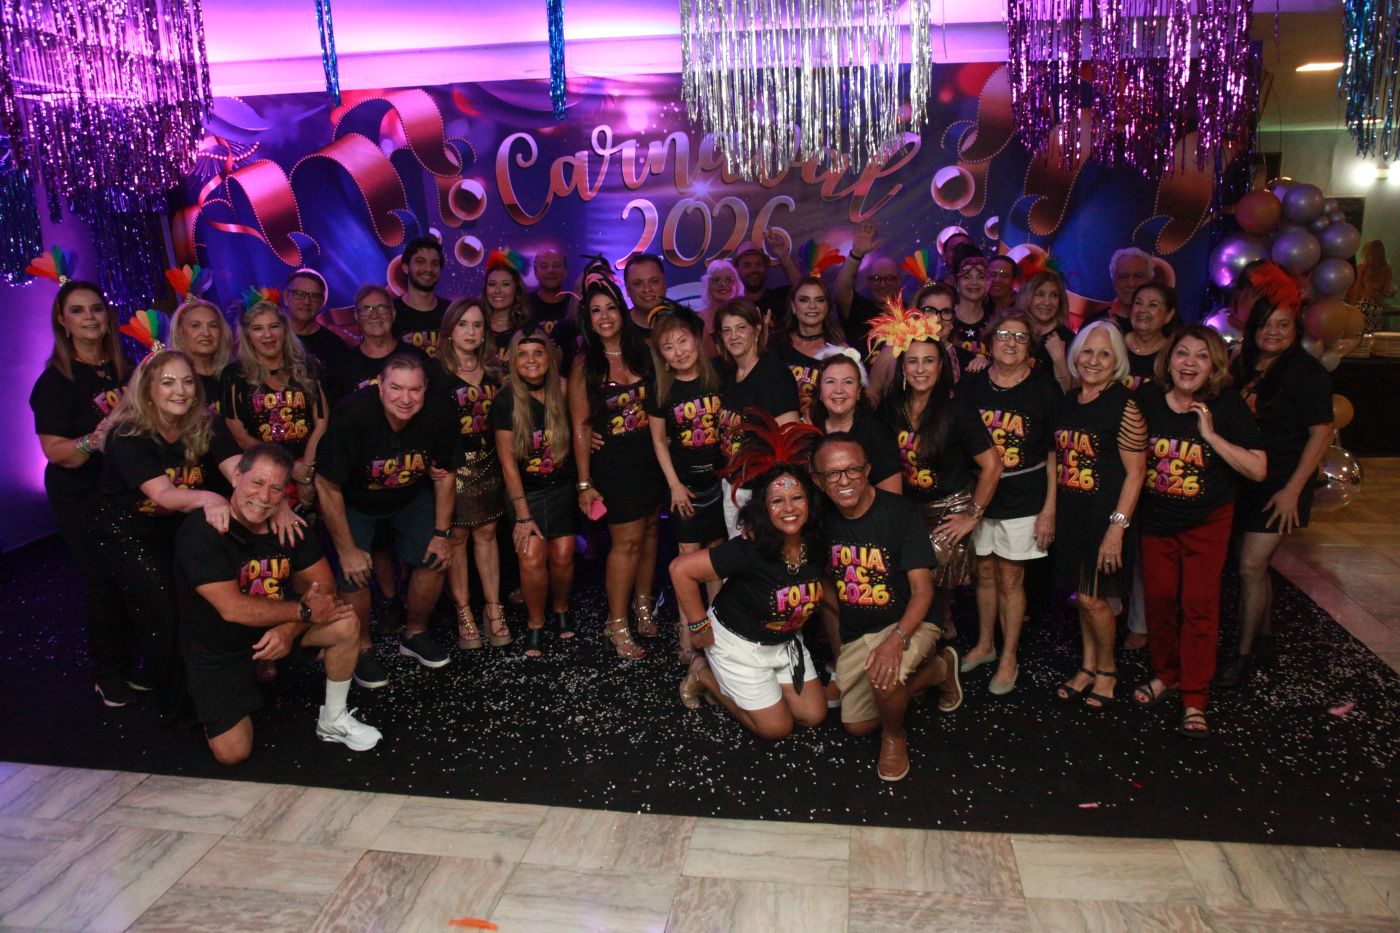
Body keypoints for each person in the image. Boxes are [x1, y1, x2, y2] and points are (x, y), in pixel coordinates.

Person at [176, 443, 380, 763]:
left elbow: (324, 588)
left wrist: (288, 629)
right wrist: (303, 611)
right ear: (236, 477)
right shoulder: (203, 530)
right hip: (219, 647)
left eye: (275, 489)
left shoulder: (289, 527)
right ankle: (211, 699)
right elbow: (232, 608)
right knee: (232, 753)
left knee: (345, 621)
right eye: (257, 482)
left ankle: (334, 718)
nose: (264, 496)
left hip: (274, 628)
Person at [89, 349, 263, 720]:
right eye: (167, 382)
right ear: (148, 389)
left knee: (195, 605)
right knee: (164, 611)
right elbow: (165, 495)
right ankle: (177, 705)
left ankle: (207, 684)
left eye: (187, 381)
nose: (180, 391)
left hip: (175, 529)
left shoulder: (206, 422)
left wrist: (270, 498)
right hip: (126, 533)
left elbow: (238, 471)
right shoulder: (128, 433)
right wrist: (209, 497)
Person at [1133, 326, 1266, 738]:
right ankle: (1167, 673)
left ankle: (1195, 696)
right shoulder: (1147, 400)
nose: (1189, 363)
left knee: (1199, 606)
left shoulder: (1225, 404)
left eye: (1201, 356)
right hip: (1156, 521)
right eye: (1182, 353)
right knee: (1158, 601)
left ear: (1213, 367)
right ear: (1168, 360)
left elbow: (1258, 469)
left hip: (1207, 522)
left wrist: (1210, 435)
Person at [813, 433, 962, 782]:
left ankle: (894, 738)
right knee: (856, 725)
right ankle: (937, 671)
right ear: (819, 482)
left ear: (867, 471)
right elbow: (821, 577)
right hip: (860, 629)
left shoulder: (899, 513)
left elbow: (923, 592)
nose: (844, 481)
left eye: (852, 470)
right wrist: (843, 614)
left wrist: (895, 640)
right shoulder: (821, 519)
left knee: (885, 676)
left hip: (911, 621)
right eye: (832, 474)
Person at [670, 421, 827, 736]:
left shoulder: (817, 542)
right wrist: (698, 627)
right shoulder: (750, 547)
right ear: (764, 509)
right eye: (777, 501)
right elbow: (681, 570)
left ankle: (765, 690)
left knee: (814, 715)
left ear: (809, 502)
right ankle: (702, 673)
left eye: (797, 498)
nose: (789, 508)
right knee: (776, 728)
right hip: (739, 645)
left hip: (784, 642)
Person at [1219, 267, 1333, 688]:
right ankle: (1265, 637)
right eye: (1266, 324)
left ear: (1295, 328)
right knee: (1253, 566)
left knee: (1250, 566)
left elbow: (1322, 433)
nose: (1273, 332)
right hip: (1243, 480)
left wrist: (1292, 491)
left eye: (1283, 325)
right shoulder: (1243, 363)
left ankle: (1243, 656)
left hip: (1282, 485)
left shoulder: (1307, 372)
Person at [315, 352, 458, 685]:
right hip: (355, 501)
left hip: (410, 496)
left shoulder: (441, 411)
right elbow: (326, 484)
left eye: (414, 390)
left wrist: (442, 534)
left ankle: (415, 633)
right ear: (380, 386)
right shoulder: (352, 414)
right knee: (354, 572)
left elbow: (447, 475)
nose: (405, 399)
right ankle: (361, 647)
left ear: (425, 389)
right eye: (396, 388)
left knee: (436, 556)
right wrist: (347, 550)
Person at [29, 279, 133, 705]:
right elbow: (57, 453)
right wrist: (94, 440)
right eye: (78, 310)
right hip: (81, 497)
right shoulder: (54, 382)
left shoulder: (124, 368)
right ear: (63, 321)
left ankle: (130, 665)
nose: (89, 317)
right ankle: (109, 674)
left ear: (108, 317)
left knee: (130, 581)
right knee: (103, 582)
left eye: (96, 308)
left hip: (124, 491)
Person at [873, 306, 1001, 640]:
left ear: (941, 366)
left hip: (947, 511)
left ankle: (936, 634)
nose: (920, 369)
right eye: (912, 361)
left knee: (928, 583)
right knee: (904, 581)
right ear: (903, 366)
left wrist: (972, 515)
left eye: (928, 361)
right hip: (908, 510)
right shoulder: (892, 408)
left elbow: (992, 465)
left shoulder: (957, 410)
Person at [956, 309, 1059, 695]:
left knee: (1011, 577)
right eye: (1002, 334)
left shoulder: (1044, 388)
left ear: (1030, 346)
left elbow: (1055, 453)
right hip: (981, 492)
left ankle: (1009, 656)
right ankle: (986, 644)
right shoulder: (973, 384)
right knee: (983, 573)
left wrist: (1050, 509)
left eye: (1019, 337)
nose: (1010, 343)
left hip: (1024, 494)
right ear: (989, 341)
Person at [1052, 322, 1147, 707]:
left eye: (1104, 354)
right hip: (1073, 515)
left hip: (1106, 519)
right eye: (1087, 352)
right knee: (1082, 598)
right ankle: (1088, 666)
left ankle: (1107, 669)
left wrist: (1116, 529)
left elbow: (1137, 474)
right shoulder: (1070, 400)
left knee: (1094, 599)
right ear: (1076, 356)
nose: (1094, 360)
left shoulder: (1125, 405)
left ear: (1116, 361)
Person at [570, 275, 664, 658]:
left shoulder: (643, 352)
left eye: (610, 307)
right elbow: (581, 427)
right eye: (596, 311)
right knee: (626, 542)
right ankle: (617, 622)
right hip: (614, 464)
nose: (605, 316)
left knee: (651, 533)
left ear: (622, 312)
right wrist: (584, 483)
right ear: (588, 320)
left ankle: (642, 606)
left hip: (651, 458)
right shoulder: (584, 365)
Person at [648, 304, 728, 660]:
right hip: (686, 489)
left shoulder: (718, 376)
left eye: (683, 341)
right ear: (661, 355)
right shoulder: (661, 389)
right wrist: (674, 486)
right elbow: (657, 441)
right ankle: (687, 639)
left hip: (719, 483)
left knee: (715, 560)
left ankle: (719, 638)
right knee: (687, 560)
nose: (679, 351)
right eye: (669, 347)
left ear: (697, 340)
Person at [492, 329, 578, 658]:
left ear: (549, 357)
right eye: (523, 354)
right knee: (531, 559)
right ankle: (536, 623)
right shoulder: (505, 400)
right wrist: (523, 516)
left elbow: (582, 428)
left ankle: (561, 609)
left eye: (538, 353)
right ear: (513, 360)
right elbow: (508, 465)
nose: (531, 360)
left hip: (561, 488)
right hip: (525, 493)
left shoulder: (563, 388)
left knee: (563, 556)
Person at [433, 299, 510, 651]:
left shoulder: (495, 373)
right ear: (450, 330)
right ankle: (463, 611)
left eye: (477, 325)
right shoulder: (436, 374)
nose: (470, 332)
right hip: (453, 468)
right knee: (458, 537)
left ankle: (493, 608)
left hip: (490, 462)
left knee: (489, 533)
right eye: (463, 324)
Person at [221, 300, 329, 511]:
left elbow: (322, 422)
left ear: (284, 329)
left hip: (311, 464)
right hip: (264, 472)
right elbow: (240, 436)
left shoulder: (307, 366)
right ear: (247, 334)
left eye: (274, 326)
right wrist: (289, 469)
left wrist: (305, 472)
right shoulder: (234, 375)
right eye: (257, 328)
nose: (267, 335)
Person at [716, 299, 801, 534]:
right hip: (734, 485)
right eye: (727, 330)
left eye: (741, 328)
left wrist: (770, 498)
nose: (734, 336)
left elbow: (789, 442)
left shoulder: (773, 373)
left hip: (760, 492)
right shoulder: (730, 375)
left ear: (757, 330)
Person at [808, 350, 901, 494]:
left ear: (858, 392)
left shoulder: (878, 433)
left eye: (848, 382)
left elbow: (892, 498)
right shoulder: (810, 433)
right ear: (820, 390)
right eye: (830, 381)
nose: (839, 390)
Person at [867, 282, 961, 403]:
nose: (937, 318)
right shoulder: (893, 353)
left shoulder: (962, 359)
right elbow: (872, 395)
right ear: (915, 314)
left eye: (946, 311)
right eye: (929, 310)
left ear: (952, 319)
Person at [771, 276, 847, 419]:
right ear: (793, 307)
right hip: (779, 426)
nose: (812, 306)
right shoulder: (774, 343)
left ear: (827, 306)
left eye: (820, 300)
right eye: (804, 300)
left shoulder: (839, 351)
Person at [329, 285, 411, 402]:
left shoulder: (416, 358)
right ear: (356, 317)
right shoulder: (342, 367)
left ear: (393, 314)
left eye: (381, 308)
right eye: (366, 309)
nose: (375, 315)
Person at [833, 220, 904, 349]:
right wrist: (856, 254)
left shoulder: (909, 314)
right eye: (876, 278)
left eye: (889, 278)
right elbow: (841, 291)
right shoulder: (858, 309)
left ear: (899, 281)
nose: (883, 285)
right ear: (867, 282)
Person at [393, 236, 452, 356]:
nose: (428, 269)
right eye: (420, 261)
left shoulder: (451, 312)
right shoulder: (390, 312)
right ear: (405, 267)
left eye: (435, 263)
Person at [524, 247, 580, 370]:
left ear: (565, 271)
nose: (551, 270)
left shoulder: (577, 305)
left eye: (557, 265)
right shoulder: (523, 306)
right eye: (544, 266)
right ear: (535, 272)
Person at [283, 268, 349, 372]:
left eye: (314, 296)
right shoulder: (270, 337)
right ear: (286, 297)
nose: (306, 302)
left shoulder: (334, 346)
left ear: (322, 302)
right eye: (299, 294)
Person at [170, 298, 233, 405]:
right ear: (180, 332)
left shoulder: (234, 375)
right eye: (196, 326)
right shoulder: (174, 382)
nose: (206, 333)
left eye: (213, 325)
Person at [1018, 270, 1073, 392]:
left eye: (1054, 295)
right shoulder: (1014, 331)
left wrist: (1059, 360)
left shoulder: (1068, 339)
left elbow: (1068, 393)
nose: (1047, 302)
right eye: (1040, 294)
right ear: (1027, 297)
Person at [733, 236, 804, 328]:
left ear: (766, 269)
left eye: (759, 264)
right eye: (747, 265)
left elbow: (804, 289)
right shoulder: (734, 306)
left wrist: (784, 256)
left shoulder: (781, 296)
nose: (754, 269)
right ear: (737, 270)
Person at [1083, 247, 1154, 332]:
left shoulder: (1162, 326)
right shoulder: (1093, 325)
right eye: (1123, 276)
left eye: (1138, 276)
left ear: (1150, 280)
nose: (1131, 284)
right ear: (1113, 280)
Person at [1123, 282, 1177, 390]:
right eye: (1138, 303)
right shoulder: (1114, 344)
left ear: (1169, 315)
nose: (1142, 310)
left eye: (1153, 305)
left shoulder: (1174, 354)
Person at [485, 253, 531, 366]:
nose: (497, 291)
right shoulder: (475, 326)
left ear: (517, 289)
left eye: (505, 284)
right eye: (492, 284)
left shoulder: (529, 329)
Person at [950, 254, 992, 373]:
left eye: (981, 277)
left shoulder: (995, 323)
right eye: (967, 277)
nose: (974, 282)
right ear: (957, 285)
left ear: (988, 285)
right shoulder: (945, 319)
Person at [1349, 239, 1392, 332]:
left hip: (1363, 305)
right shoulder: (1387, 269)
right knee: (1373, 332)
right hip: (1376, 307)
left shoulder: (1362, 268)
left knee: (1359, 331)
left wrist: (1351, 307)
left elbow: (1356, 289)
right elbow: (1386, 291)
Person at [696, 258, 742, 344]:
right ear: (708, 287)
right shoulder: (697, 319)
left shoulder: (746, 315)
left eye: (729, 280)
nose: (723, 284)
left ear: (737, 286)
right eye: (716, 280)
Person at [623, 253, 669, 333]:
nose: (647, 289)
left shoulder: (685, 321)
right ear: (627, 290)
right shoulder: (618, 328)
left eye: (654, 281)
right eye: (638, 283)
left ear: (665, 284)